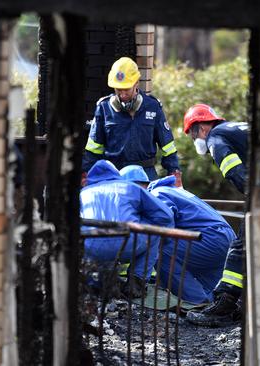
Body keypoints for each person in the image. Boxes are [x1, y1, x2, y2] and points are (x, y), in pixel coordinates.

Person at [120, 165, 235, 306]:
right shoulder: (171, 190)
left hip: (209, 239)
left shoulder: (156, 194)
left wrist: (137, 272)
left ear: (134, 188)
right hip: (224, 239)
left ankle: (197, 303)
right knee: (214, 290)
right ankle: (218, 307)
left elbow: (160, 226)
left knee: (158, 249)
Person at [182, 103, 249, 327]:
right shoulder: (234, 128)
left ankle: (224, 305)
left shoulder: (216, 137)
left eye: (192, 136)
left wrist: (257, 196)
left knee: (239, 248)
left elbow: (234, 171)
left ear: (201, 128)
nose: (195, 142)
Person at [82, 57, 182, 185]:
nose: (122, 94)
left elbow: (168, 147)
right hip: (114, 176)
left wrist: (174, 171)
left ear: (136, 83)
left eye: (126, 89)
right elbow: (93, 150)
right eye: (118, 90)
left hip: (146, 176)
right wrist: (85, 174)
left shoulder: (153, 107)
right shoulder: (104, 108)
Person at [80, 160, 173, 298]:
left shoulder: (83, 192)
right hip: (127, 241)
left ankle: (96, 283)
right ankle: (136, 284)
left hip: (91, 246)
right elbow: (166, 215)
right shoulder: (129, 187)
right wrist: (141, 218)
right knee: (155, 231)